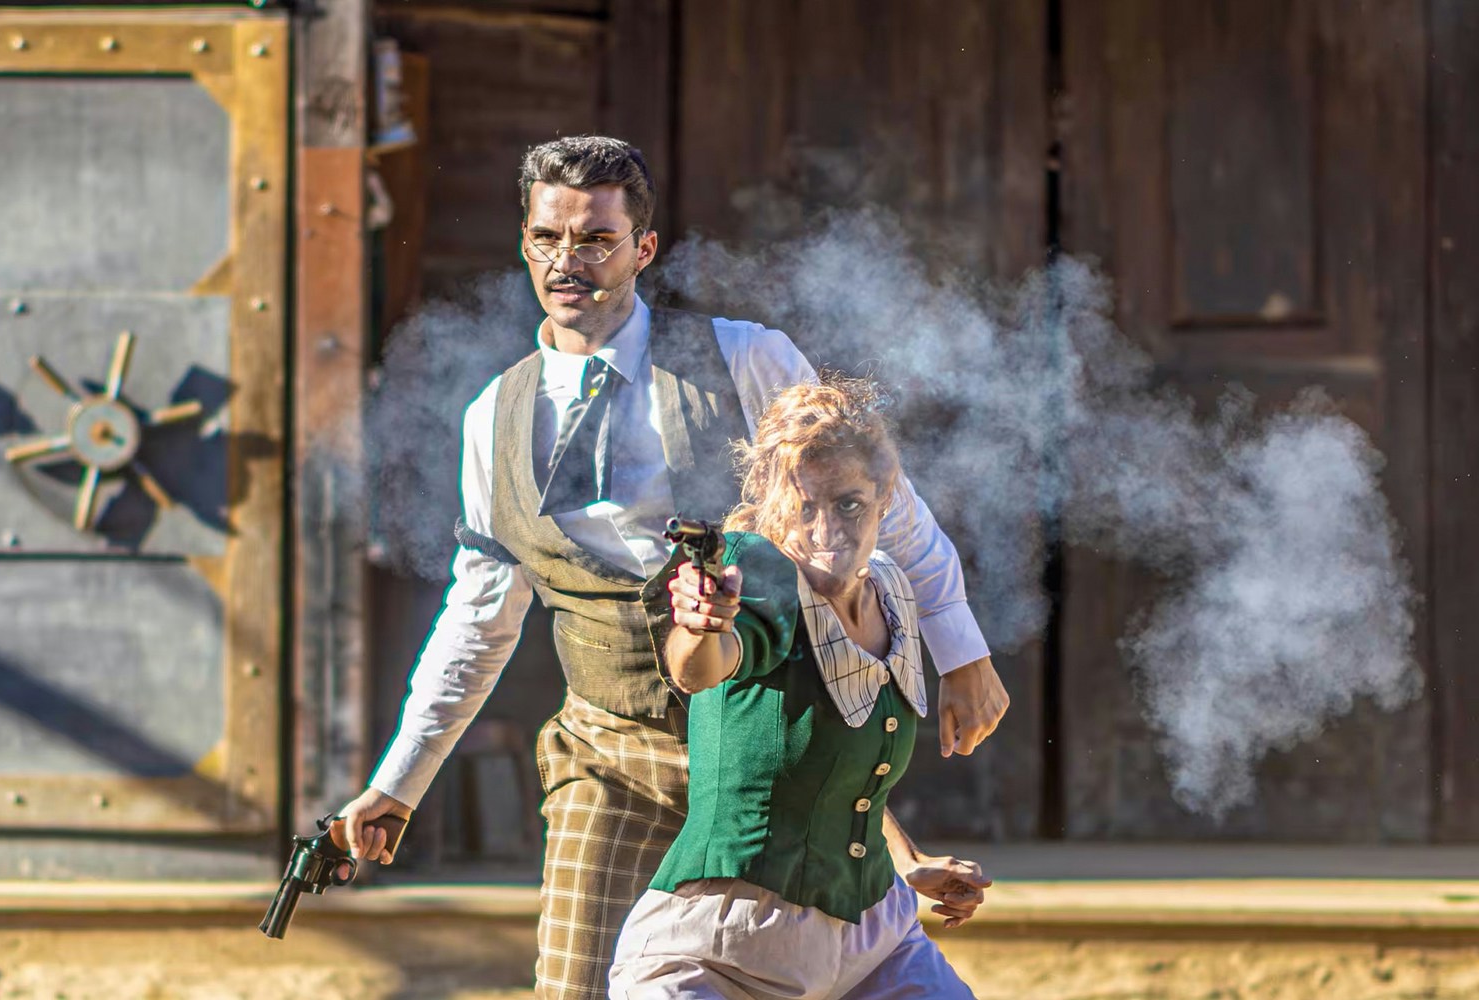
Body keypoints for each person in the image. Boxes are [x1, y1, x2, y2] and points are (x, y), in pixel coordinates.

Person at [338, 135, 1007, 1000]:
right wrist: (400, 780)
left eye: (595, 240)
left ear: (643, 249)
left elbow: (884, 501)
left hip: (766, 733)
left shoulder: (744, 357)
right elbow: (481, 614)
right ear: (523, 239)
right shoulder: (491, 418)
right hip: (607, 744)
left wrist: (961, 649)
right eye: (547, 238)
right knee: (574, 989)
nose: (567, 261)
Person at [610, 376, 979, 998]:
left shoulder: (890, 590)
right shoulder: (760, 574)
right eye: (804, 508)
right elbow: (698, 668)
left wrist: (908, 861)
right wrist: (702, 623)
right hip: (720, 954)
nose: (826, 530)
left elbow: (842, 778)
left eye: (849, 505)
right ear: (775, 503)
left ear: (886, 495)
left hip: (874, 942)